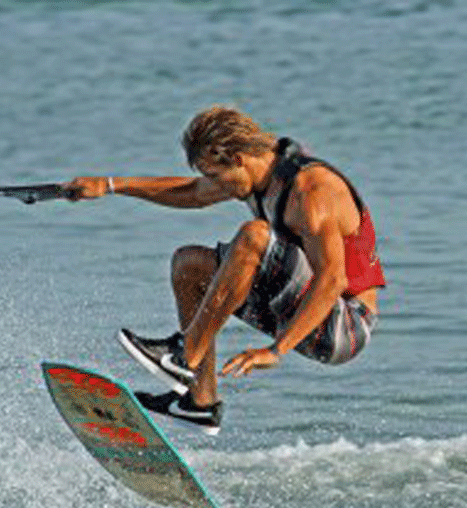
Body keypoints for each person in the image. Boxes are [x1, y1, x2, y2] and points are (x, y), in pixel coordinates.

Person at [62, 106, 385, 435]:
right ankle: (199, 401)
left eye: (215, 176)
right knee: (188, 265)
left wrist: (276, 350)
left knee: (254, 236)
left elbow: (333, 280)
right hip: (304, 309)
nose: (215, 186)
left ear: (239, 158)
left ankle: (184, 356)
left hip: (343, 327)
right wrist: (110, 185)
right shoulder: (255, 173)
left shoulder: (310, 193)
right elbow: (193, 193)